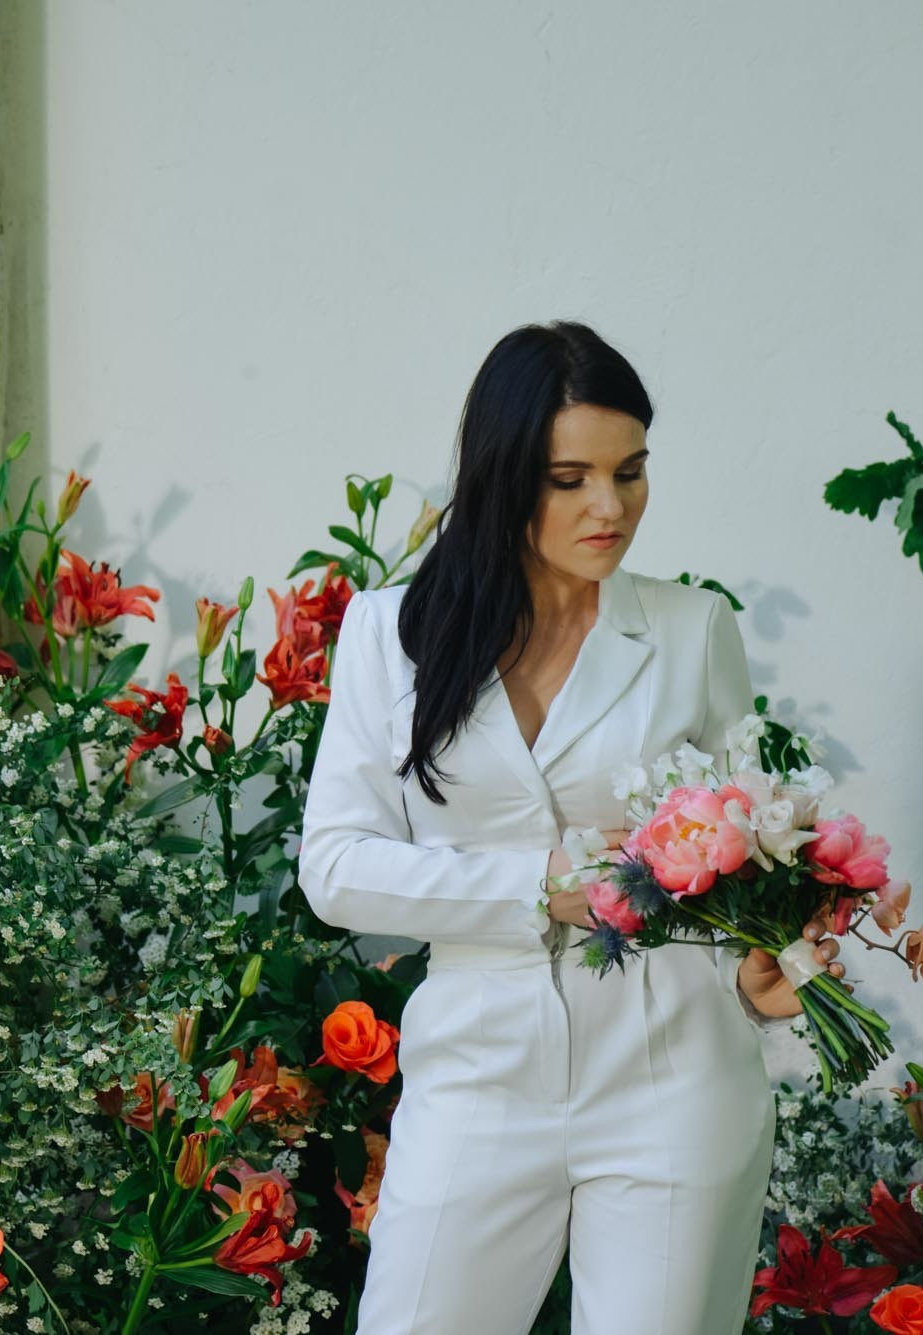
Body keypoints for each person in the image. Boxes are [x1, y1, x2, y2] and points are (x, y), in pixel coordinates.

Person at [296, 320, 845, 1335]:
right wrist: (532, 887)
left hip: (673, 1074)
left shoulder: (691, 632)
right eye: (570, 478)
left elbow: (744, 864)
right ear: (506, 478)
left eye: (630, 471)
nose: (611, 507)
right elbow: (333, 868)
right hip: (475, 1074)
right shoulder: (391, 633)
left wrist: (771, 976)